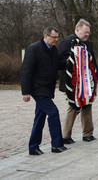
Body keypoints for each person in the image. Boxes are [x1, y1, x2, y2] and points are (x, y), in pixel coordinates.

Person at [21, 26, 68, 155]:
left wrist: (69, 61)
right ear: (46, 36)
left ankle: (33, 147)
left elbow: (56, 65)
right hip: (38, 89)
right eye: (54, 37)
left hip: (47, 89)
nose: (56, 40)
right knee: (53, 112)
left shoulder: (53, 50)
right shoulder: (33, 49)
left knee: (40, 117)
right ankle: (57, 145)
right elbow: (26, 71)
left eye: (58, 37)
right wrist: (25, 92)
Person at [58, 19, 98, 144]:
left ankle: (88, 134)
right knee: (73, 106)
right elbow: (59, 61)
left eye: (88, 33)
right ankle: (65, 136)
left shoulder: (87, 44)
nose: (87, 35)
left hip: (86, 82)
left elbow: (93, 61)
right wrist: (71, 62)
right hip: (72, 82)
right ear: (77, 30)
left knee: (87, 105)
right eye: (85, 32)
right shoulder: (67, 42)